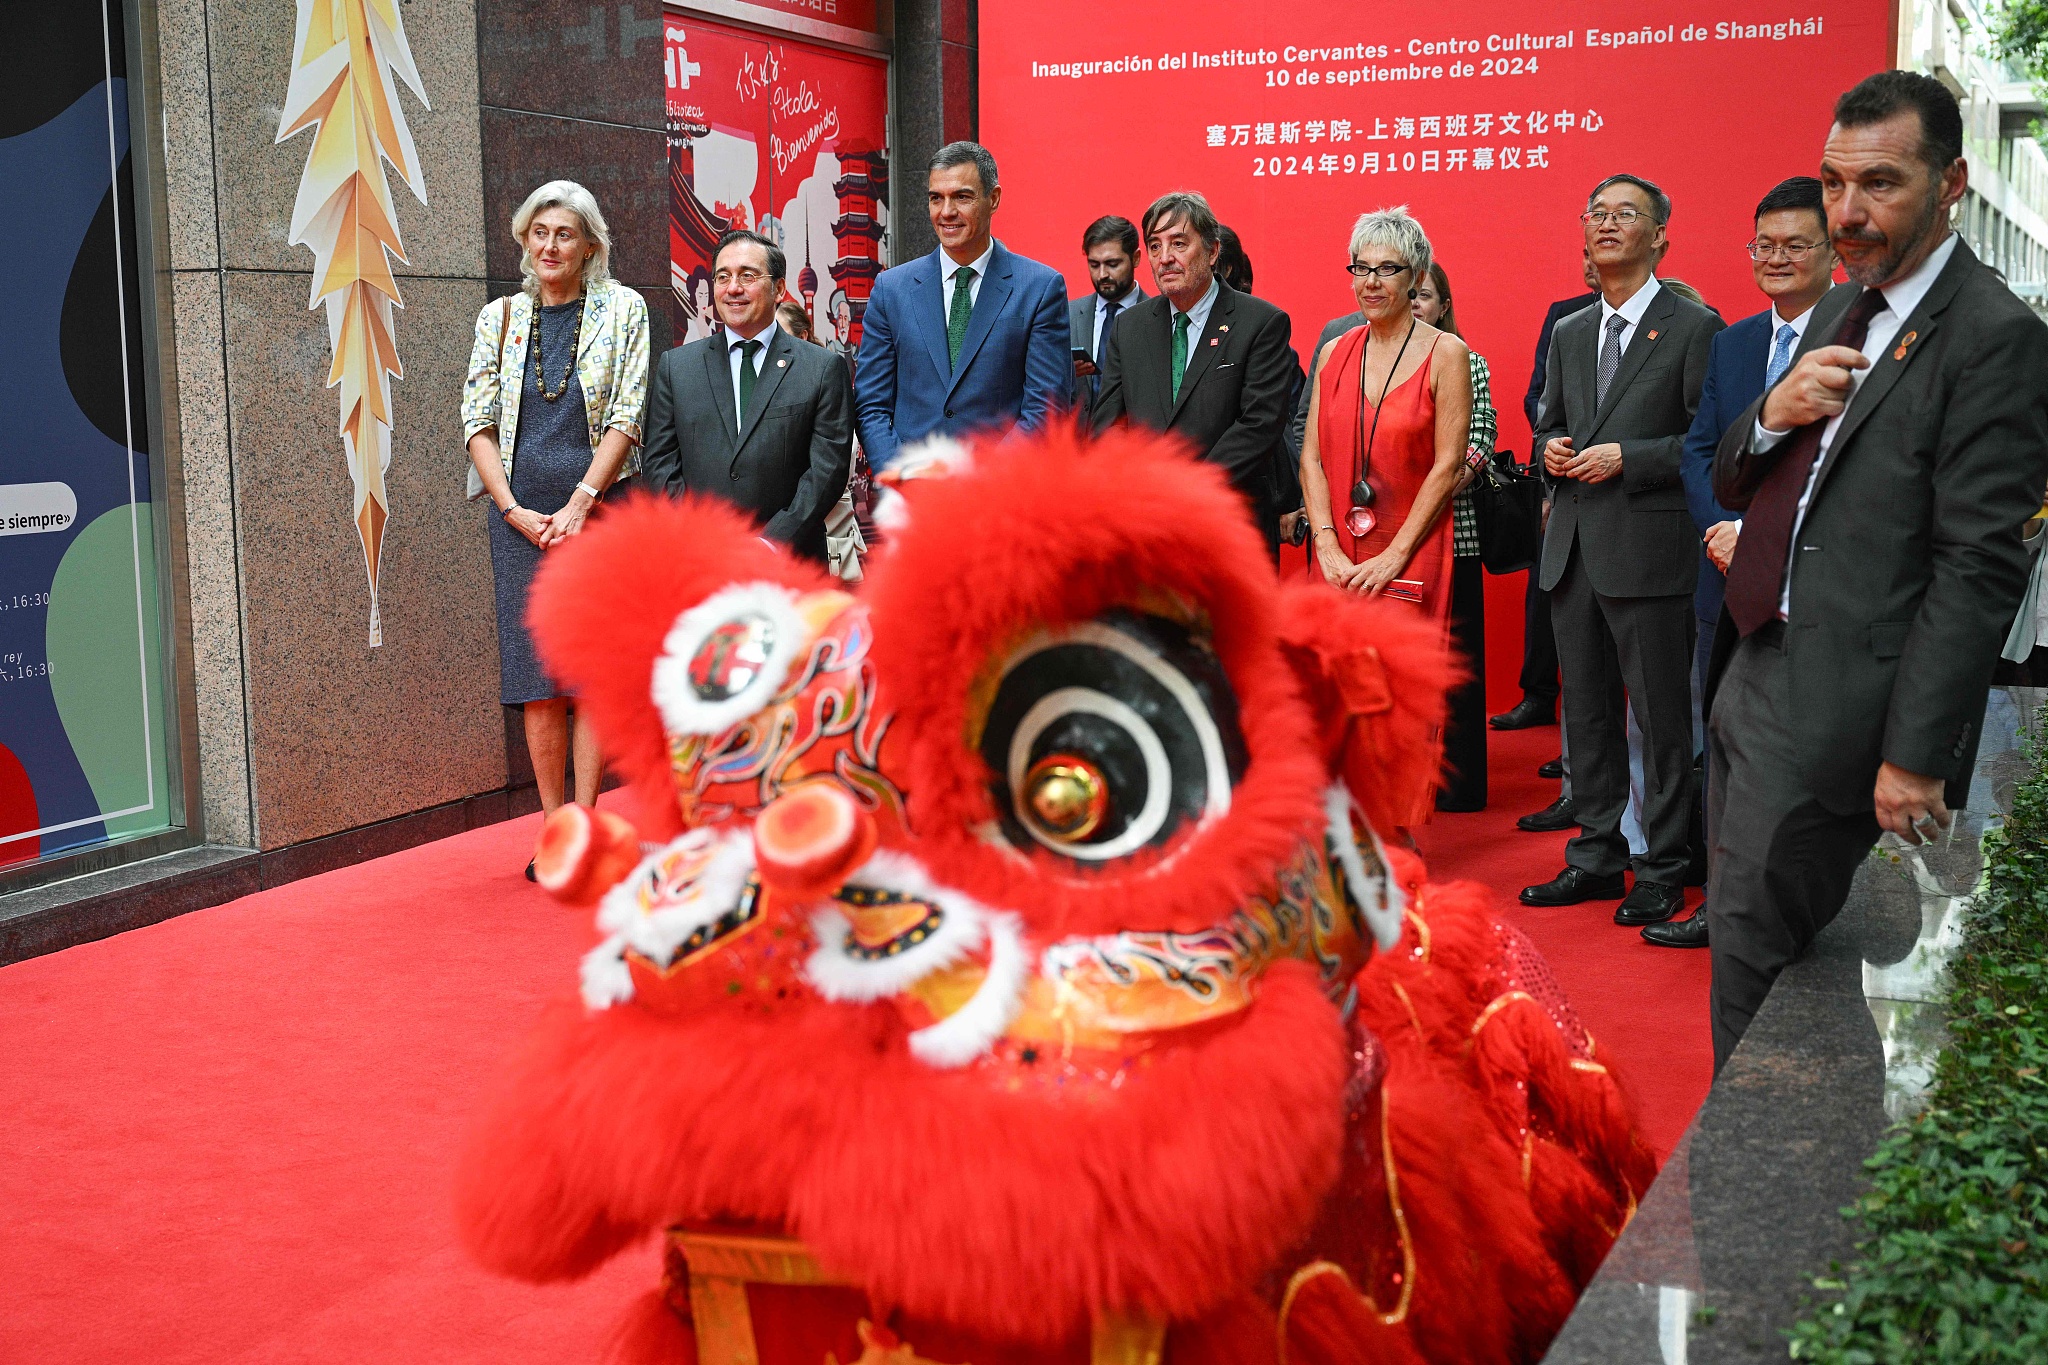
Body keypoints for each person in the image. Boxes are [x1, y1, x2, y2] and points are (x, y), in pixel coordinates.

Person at [1705, 71, 2048, 1068]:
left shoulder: (1994, 339)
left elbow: (1978, 565)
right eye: (1831, 182)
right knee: (1781, 953)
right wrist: (1773, 413)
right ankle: (1814, 1161)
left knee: (1750, 954)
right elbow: (1736, 476)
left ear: (1950, 182)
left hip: (1836, 707)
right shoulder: (1835, 312)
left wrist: (1914, 756)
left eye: (1880, 185)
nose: (1845, 212)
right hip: (1750, 664)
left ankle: (1760, 1203)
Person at [1520, 174, 1723, 924]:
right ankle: (1597, 854)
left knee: (1663, 720)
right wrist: (1549, 449)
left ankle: (1664, 866)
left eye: (1625, 214)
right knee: (1590, 716)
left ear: (1660, 235)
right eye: (1596, 213)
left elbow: (1707, 441)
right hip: (1573, 544)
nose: (1607, 224)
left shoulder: (1695, 325)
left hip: (1650, 549)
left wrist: (1627, 458)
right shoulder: (1573, 330)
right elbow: (1548, 422)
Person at [1643, 177, 1836, 950]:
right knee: (1719, 743)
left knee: (1804, 755)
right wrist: (1723, 528)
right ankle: (1724, 903)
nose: (1778, 258)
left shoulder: (1865, 337)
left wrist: (1762, 540)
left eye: (1796, 244)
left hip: (1813, 591)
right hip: (1723, 580)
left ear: (1832, 251)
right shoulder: (1735, 342)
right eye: (1765, 245)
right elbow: (1700, 450)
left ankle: (1798, 908)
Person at [462, 179, 650, 877]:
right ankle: (553, 831)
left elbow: (629, 415)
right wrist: (512, 508)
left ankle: (590, 823)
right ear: (523, 241)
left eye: (564, 233)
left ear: (590, 244)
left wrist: (580, 502)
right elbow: (474, 422)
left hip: (597, 510)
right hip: (518, 517)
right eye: (538, 233)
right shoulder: (501, 318)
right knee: (537, 677)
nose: (549, 245)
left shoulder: (623, 310)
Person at [1298, 207, 1473, 821]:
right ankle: (1335, 830)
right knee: (1332, 692)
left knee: (1397, 700)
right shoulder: (1332, 353)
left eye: (1387, 269)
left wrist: (1396, 553)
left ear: (1415, 275)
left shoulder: (1446, 354)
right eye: (1361, 268)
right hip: (1337, 552)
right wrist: (1324, 545)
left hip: (1411, 550)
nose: (1371, 282)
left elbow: (1448, 465)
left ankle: (1393, 834)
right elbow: (1312, 458)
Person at [1092, 191, 1296, 549]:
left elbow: (1259, 425)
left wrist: (1186, 491)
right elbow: (1107, 423)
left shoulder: (1261, 323)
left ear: (1213, 251)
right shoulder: (1130, 327)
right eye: (1154, 247)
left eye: (1179, 243)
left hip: (1230, 524)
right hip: (1146, 525)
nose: (1165, 258)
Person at [640, 229, 853, 564]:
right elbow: (659, 464)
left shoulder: (822, 368)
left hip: (789, 563)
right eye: (723, 277)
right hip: (699, 562)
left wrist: (770, 543)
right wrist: (701, 540)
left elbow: (827, 470)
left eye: (747, 276)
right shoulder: (677, 367)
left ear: (779, 289)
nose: (733, 288)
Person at [853, 142, 1069, 468]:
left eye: (962, 197)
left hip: (998, 496)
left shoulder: (1039, 288)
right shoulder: (891, 289)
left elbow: (1046, 409)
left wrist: (974, 487)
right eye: (935, 198)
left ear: (993, 199)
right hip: (910, 500)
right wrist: (902, 478)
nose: (946, 212)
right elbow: (871, 404)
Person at [1493, 248, 1599, 738]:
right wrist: (1558, 442)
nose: (1592, 260)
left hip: (1623, 478)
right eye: (1584, 252)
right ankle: (1538, 694)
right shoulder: (1564, 316)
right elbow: (1538, 395)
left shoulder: (1680, 317)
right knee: (1547, 586)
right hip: (1561, 470)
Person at [1412, 261, 1496, 811]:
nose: (1416, 304)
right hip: (1388, 543)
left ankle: (1460, 786)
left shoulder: (1468, 360)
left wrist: (1432, 485)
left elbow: (1482, 437)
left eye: (1425, 296)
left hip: (1455, 534)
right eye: (1409, 295)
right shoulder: (1369, 361)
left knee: (1458, 668)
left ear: (1444, 304)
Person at [1069, 215, 1145, 409]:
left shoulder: (1161, 316)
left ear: (1135, 258)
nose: (1102, 275)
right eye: (1094, 265)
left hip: (1134, 436)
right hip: (1075, 436)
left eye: (1112, 264)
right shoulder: (1067, 314)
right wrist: (1065, 374)